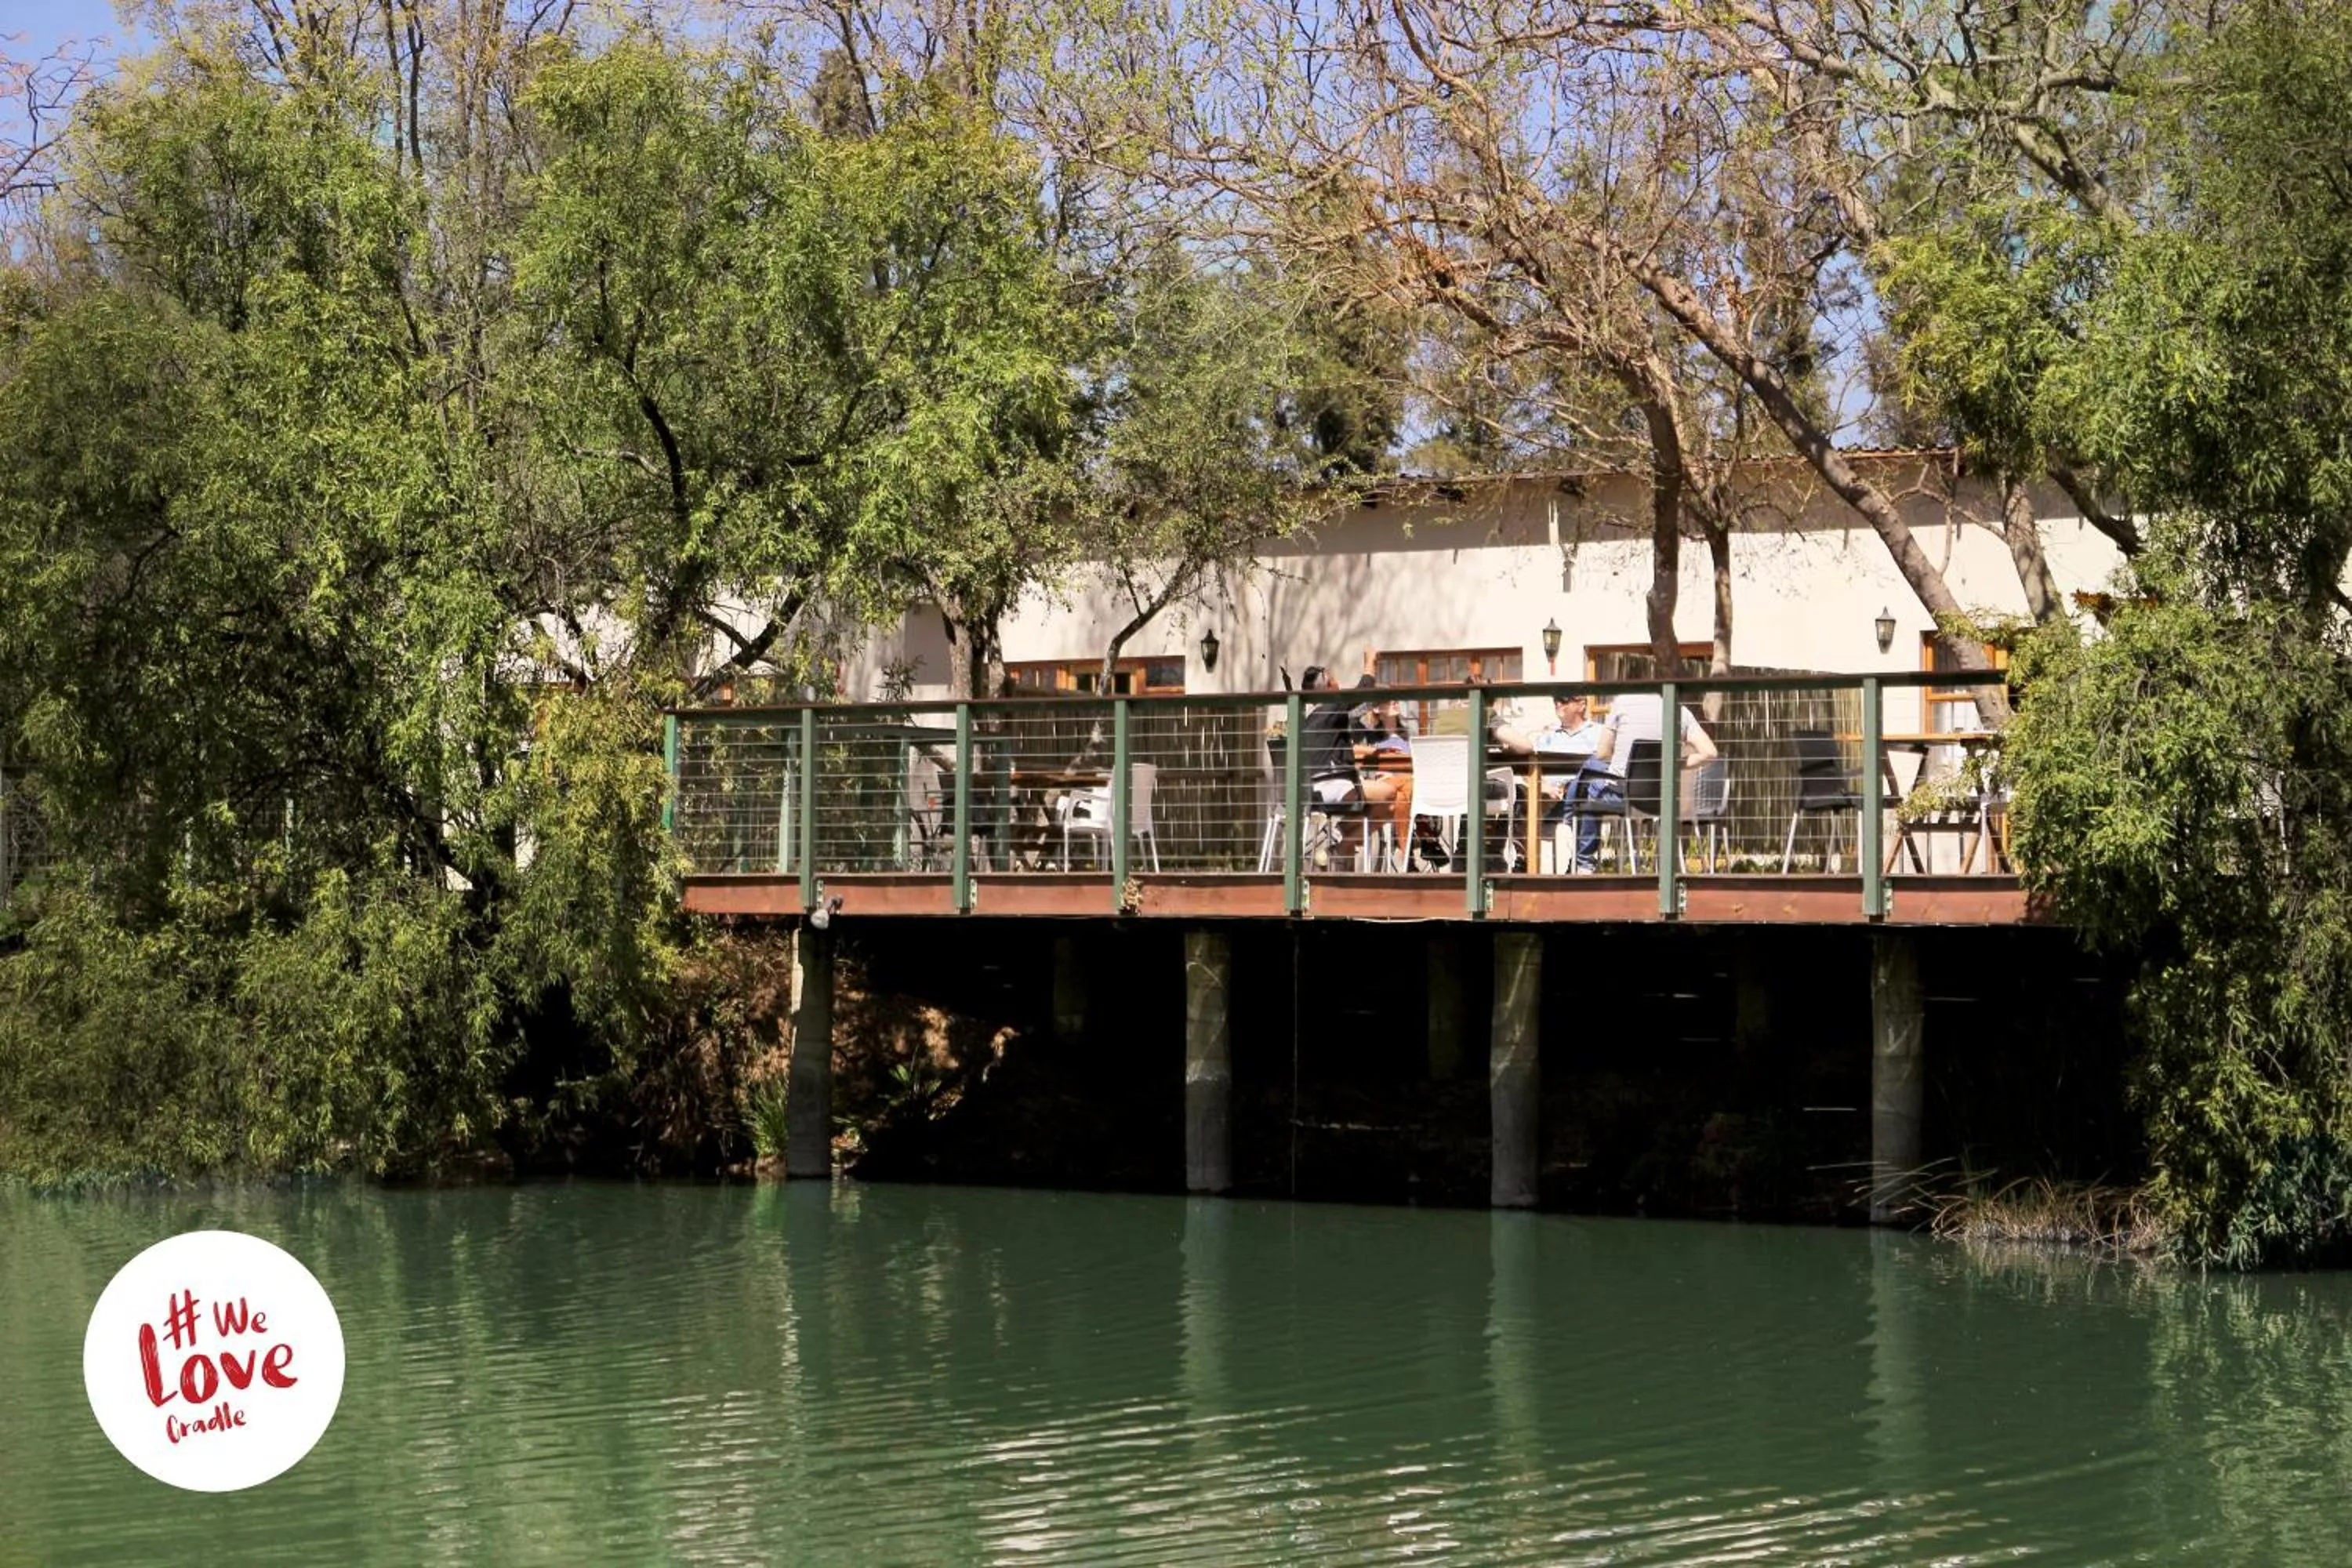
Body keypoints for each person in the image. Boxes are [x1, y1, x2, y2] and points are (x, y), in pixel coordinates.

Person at [1569, 691, 1718, 873]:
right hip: (1663, 800)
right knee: (1592, 773)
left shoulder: (1622, 703)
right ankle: (1570, 823)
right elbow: (1710, 753)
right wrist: (1675, 764)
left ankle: (1583, 862)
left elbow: (1602, 753)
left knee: (1591, 778)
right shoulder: (1681, 712)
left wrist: (1623, 758)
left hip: (1623, 797)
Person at [1298, 649, 1403, 866]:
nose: (1338, 682)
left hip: (1313, 791)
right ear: (1328, 686)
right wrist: (1369, 663)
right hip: (1336, 787)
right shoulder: (1331, 706)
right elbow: (1363, 691)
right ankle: (1342, 839)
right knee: (1393, 793)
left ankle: (1341, 845)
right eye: (1334, 678)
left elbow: (1357, 710)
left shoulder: (1311, 719)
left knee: (1391, 806)